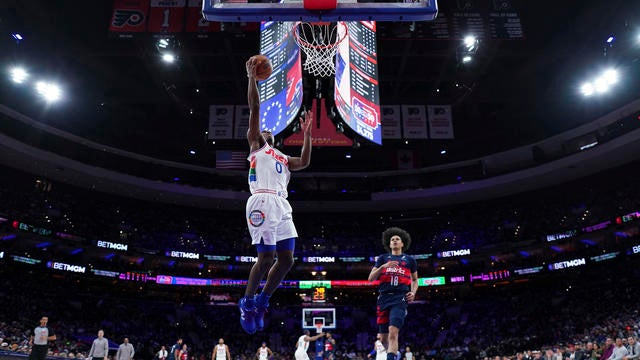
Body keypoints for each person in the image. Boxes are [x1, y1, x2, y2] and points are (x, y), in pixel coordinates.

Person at [239, 55, 313, 334]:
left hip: (282, 204)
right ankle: (246, 302)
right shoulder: (257, 145)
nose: (266, 131)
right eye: (263, 130)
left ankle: (261, 300)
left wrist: (307, 135)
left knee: (287, 260)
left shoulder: (281, 156)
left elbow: (304, 162)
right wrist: (251, 78)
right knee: (266, 258)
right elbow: (254, 107)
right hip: (262, 200)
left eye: (270, 131)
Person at [368, 227, 418, 360]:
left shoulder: (409, 260)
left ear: (402, 244)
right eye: (392, 239)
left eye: (397, 239)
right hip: (383, 298)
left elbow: (415, 280)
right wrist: (383, 267)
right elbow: (371, 278)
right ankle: (393, 355)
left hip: (400, 298)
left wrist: (413, 293)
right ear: (389, 244)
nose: (395, 241)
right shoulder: (383, 258)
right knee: (384, 339)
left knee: (393, 333)